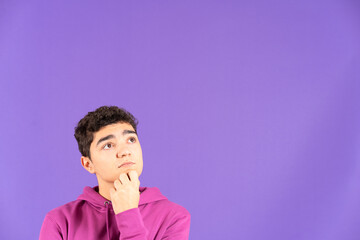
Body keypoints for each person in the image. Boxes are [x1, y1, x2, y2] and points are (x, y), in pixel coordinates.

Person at [39, 106, 191, 240]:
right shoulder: (59, 221)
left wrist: (128, 214)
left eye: (131, 140)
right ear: (88, 164)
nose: (125, 151)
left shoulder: (174, 217)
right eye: (108, 145)